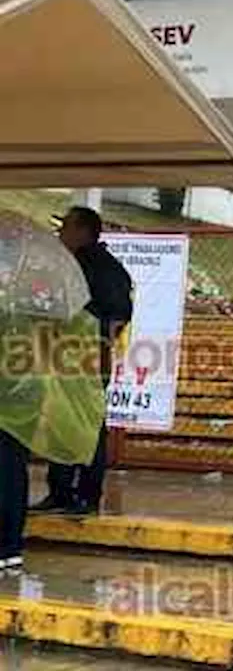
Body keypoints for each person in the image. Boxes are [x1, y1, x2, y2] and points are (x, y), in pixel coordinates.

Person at [1, 211, 109, 569]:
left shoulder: (23, 291)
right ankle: (9, 543)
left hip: (13, 390)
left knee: (6, 466)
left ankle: (7, 544)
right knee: (10, 466)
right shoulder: (35, 284)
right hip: (23, 388)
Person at [32, 206, 132, 516]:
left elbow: (118, 314)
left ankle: (86, 494)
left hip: (86, 354)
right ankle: (61, 491)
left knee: (86, 423)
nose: (61, 234)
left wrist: (86, 331)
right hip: (64, 352)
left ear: (83, 231)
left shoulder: (104, 269)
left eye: (66, 228)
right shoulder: (69, 265)